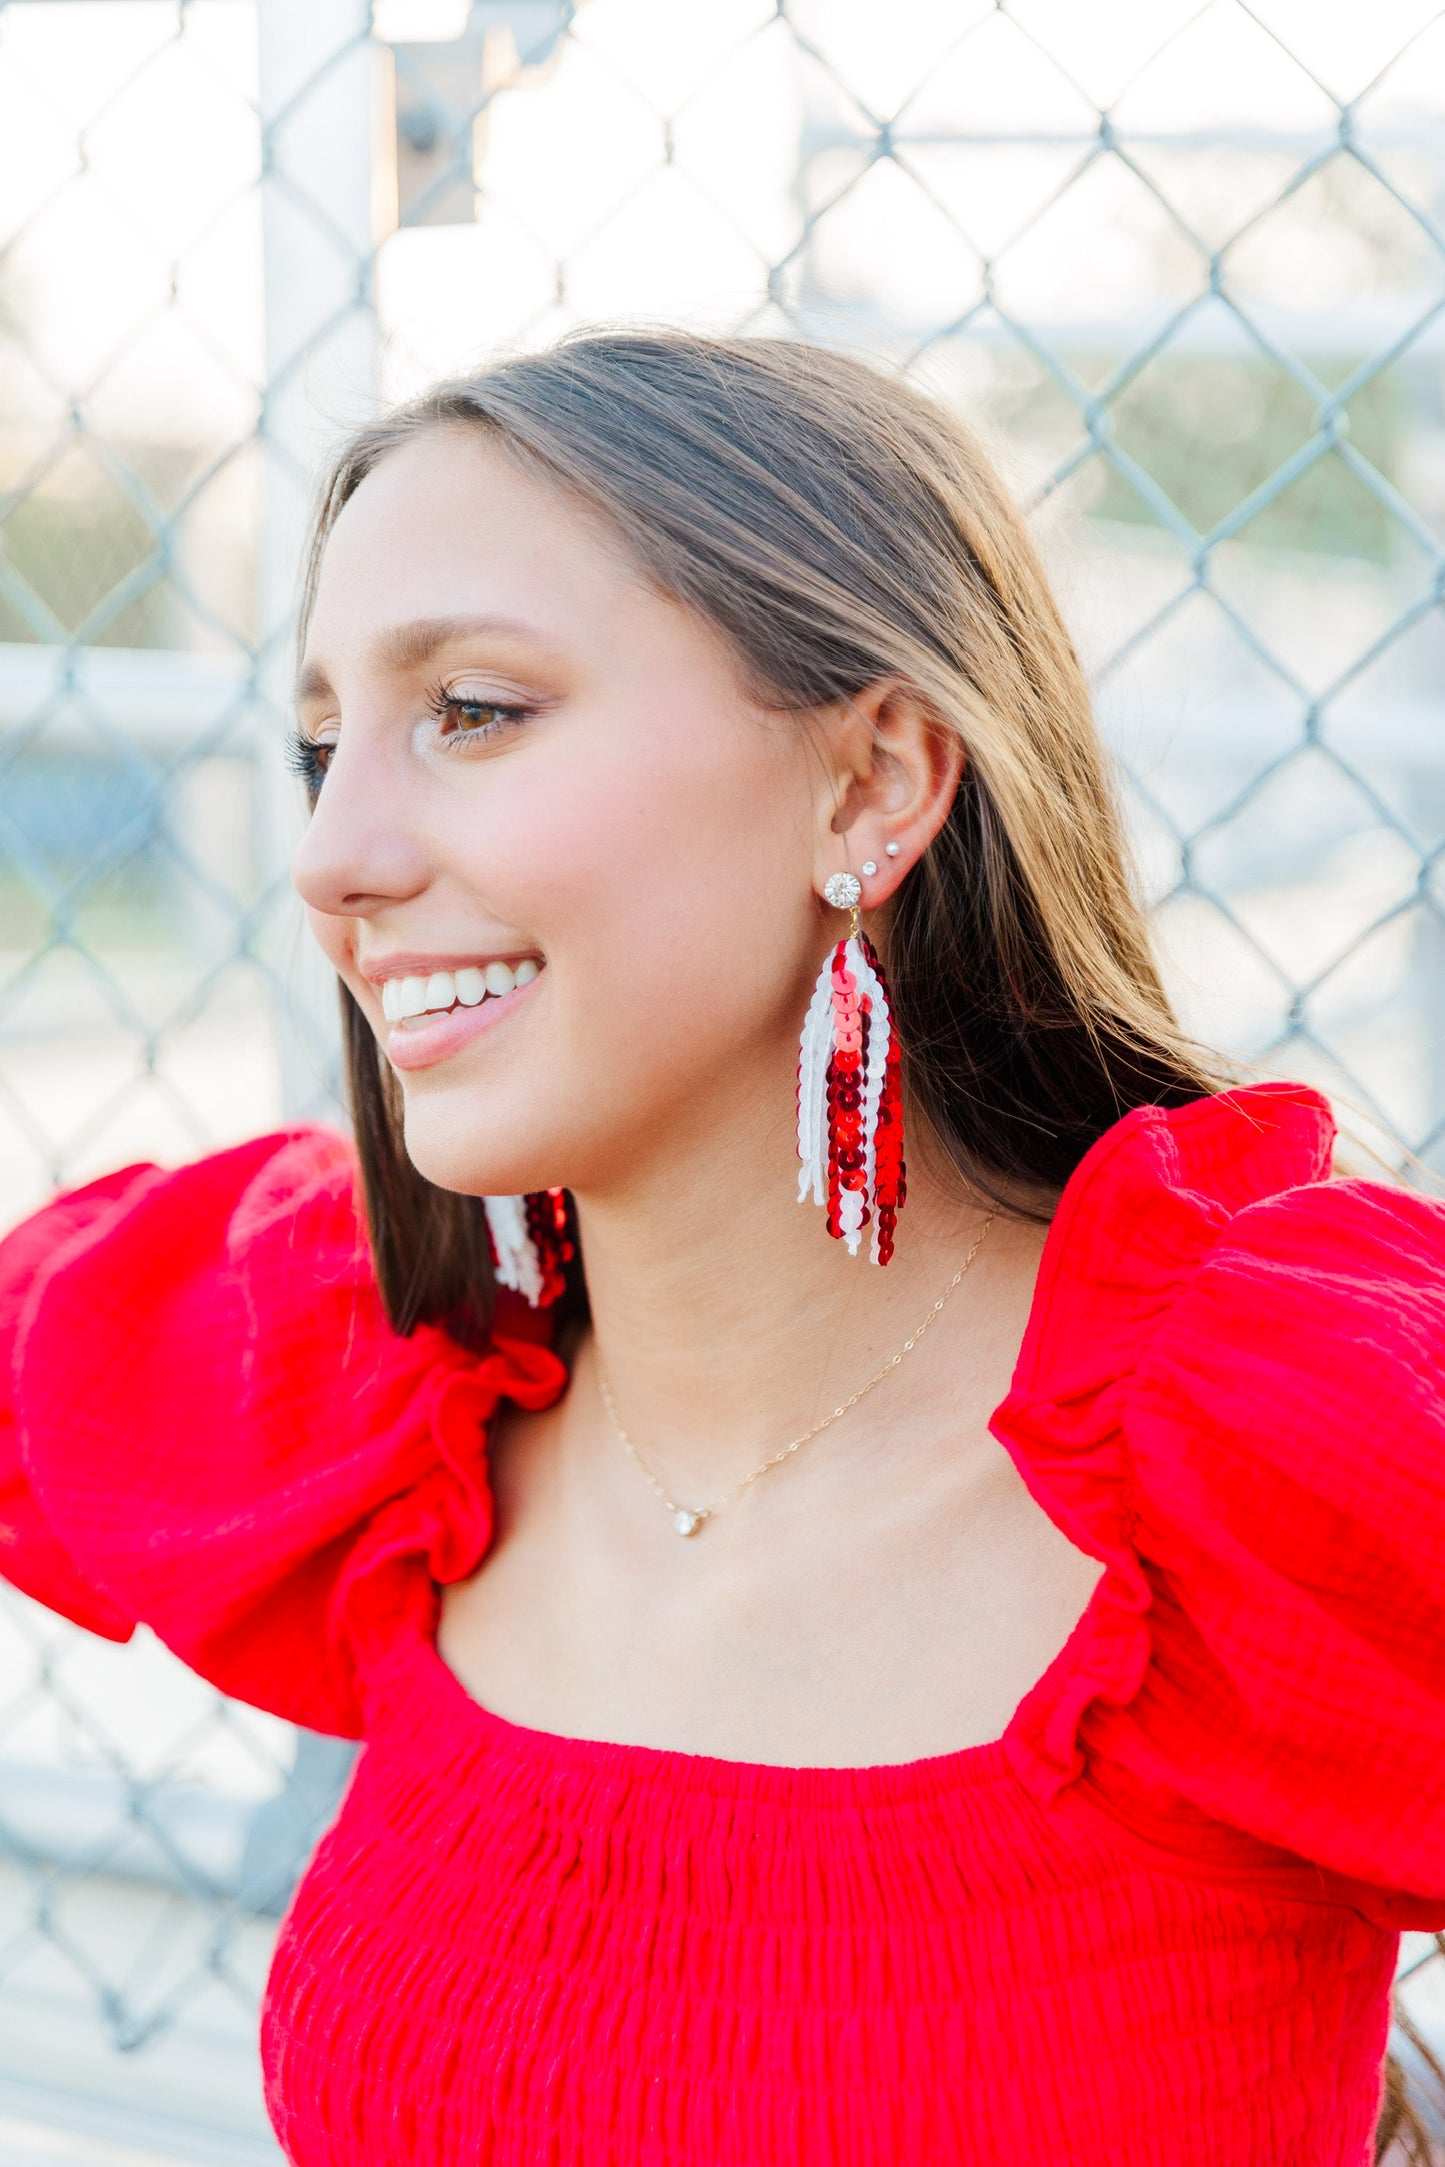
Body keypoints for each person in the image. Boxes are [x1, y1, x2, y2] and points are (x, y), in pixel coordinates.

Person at [2, 328, 1442, 2167]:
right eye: (316, 747)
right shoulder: (375, 1378)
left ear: (870, 784)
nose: (335, 855)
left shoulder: (1288, 1448)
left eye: (476, 712)